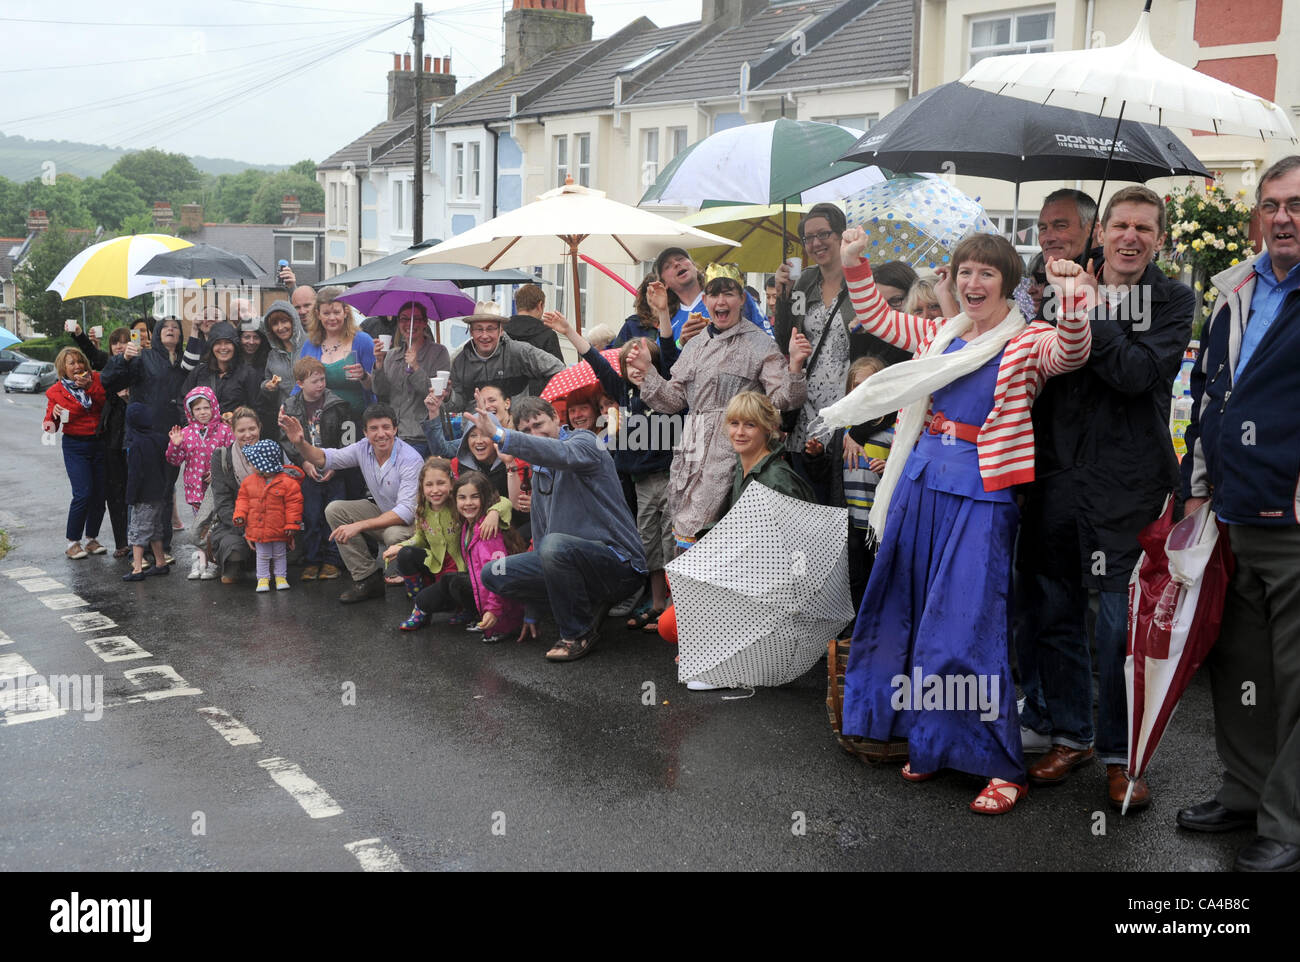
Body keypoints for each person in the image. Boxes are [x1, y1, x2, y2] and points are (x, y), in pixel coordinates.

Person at [826, 227, 1092, 815]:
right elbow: (877, 315)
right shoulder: (940, 333)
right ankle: (931, 740)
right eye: (965, 272)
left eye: (987, 274)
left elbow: (1070, 352)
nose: (973, 283)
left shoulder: (1027, 342)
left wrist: (1072, 299)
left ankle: (1001, 767)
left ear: (1008, 284)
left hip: (982, 493)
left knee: (968, 626)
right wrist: (855, 262)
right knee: (913, 614)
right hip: (920, 482)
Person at [1016, 185, 1194, 814]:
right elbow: (1035, 368)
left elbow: (1136, 374)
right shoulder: (1059, 290)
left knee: (1119, 629)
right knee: (1058, 612)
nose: (1130, 237)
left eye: (1144, 229)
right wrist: (1066, 305)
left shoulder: (1173, 299)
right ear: (1101, 233)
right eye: (1120, 225)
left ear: (1160, 240)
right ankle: (1073, 735)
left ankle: (1124, 758)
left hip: (1130, 487)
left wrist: (1094, 309)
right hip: (1059, 480)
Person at [1178, 156, 1300, 872]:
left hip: (1292, 521)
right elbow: (1210, 396)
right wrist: (1197, 486)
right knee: (1240, 666)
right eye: (1273, 205)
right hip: (1232, 510)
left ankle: (1288, 818)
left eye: (1296, 204)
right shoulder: (1237, 291)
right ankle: (1246, 790)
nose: (1283, 217)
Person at [628, 264, 811, 549]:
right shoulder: (695, 345)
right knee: (683, 541)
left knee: (718, 542)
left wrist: (796, 366)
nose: (721, 301)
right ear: (705, 301)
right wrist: (648, 372)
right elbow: (674, 401)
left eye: (728, 293)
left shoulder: (760, 344)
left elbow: (783, 400)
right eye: (713, 294)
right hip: (692, 448)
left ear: (741, 299)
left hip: (735, 450)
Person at [474, 396, 647, 661]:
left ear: (556, 417)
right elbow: (541, 542)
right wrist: (532, 609)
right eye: (527, 431)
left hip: (619, 564)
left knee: (555, 546)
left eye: (539, 424)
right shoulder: (538, 471)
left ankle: (578, 633)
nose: (535, 434)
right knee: (494, 572)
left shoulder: (585, 442)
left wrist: (500, 434)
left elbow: (560, 454)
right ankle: (580, 605)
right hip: (568, 562)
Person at [542, 298, 679, 631]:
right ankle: (657, 602)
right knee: (648, 542)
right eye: (628, 361)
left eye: (641, 360)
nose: (635, 366)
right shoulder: (623, 392)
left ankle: (677, 607)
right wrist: (569, 332)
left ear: (653, 363)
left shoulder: (669, 392)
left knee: (673, 542)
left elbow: (670, 352)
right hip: (643, 482)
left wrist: (662, 313)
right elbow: (594, 359)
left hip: (672, 478)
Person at [773, 203, 911, 499]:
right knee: (805, 498)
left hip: (850, 402)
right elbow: (785, 337)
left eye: (823, 233)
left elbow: (882, 342)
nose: (816, 243)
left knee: (839, 498)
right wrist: (784, 297)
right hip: (808, 406)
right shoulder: (805, 281)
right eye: (808, 238)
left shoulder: (865, 279)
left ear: (840, 235)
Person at [278, 402, 423, 603]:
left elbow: (406, 512)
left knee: (393, 534)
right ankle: (368, 579)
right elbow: (324, 459)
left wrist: (359, 526)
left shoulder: (410, 459)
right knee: (335, 510)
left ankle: (419, 579)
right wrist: (300, 443)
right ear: (364, 432)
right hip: (384, 513)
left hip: (414, 525)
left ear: (395, 429)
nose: (381, 434)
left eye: (386, 427)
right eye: (374, 428)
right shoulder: (363, 448)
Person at [804, 356, 894, 622]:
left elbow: (905, 472)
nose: (863, 391)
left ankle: (877, 629)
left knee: (881, 578)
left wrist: (888, 467)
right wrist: (816, 455)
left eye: (872, 383)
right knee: (854, 579)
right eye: (856, 385)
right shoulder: (843, 427)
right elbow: (824, 476)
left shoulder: (895, 429)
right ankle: (856, 630)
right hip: (850, 520)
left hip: (880, 522)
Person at [385, 457, 512, 628]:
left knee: (452, 583)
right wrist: (402, 545)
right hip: (437, 565)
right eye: (429, 485)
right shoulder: (422, 510)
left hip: (463, 569)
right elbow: (421, 539)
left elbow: (503, 501)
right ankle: (419, 602)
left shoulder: (460, 504)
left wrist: (494, 512)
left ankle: (465, 609)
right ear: (422, 487)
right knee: (406, 554)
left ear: (452, 484)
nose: (435, 490)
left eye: (441, 483)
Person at [101, 316, 188, 562]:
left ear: (180, 336)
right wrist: (124, 358)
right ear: (158, 333)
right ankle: (139, 548)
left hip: (172, 435)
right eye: (166, 327)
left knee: (164, 491)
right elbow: (108, 381)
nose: (171, 330)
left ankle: (163, 547)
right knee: (142, 493)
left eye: (176, 328)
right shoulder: (143, 357)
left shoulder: (183, 362)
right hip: (143, 437)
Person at [399, 471, 525, 641]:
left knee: (454, 581)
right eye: (462, 498)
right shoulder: (467, 525)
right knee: (441, 587)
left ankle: (491, 622)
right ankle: (470, 614)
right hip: (481, 592)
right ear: (455, 500)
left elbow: (499, 574)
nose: (468, 503)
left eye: (474, 497)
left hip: (500, 609)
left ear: (485, 498)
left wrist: (494, 610)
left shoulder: (489, 533)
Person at [279, 358, 348, 581]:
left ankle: (332, 560)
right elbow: (285, 439)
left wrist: (335, 465)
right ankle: (311, 560)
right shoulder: (289, 407)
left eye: (322, 379)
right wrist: (303, 462)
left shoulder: (338, 404)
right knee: (310, 516)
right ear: (300, 383)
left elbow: (347, 440)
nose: (320, 384)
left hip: (334, 470)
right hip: (308, 472)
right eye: (315, 381)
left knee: (334, 516)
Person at [207, 407, 285, 584]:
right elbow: (222, 502)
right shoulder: (221, 456)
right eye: (241, 430)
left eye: (252, 429)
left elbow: (283, 492)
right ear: (233, 431)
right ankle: (234, 565)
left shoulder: (271, 450)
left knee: (282, 552)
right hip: (236, 521)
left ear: (260, 427)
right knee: (234, 550)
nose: (248, 435)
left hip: (270, 519)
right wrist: (247, 530)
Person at [44, 346, 108, 560]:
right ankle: (72, 542)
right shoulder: (55, 392)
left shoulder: (96, 379)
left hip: (99, 442)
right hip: (75, 446)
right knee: (83, 493)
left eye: (80, 361)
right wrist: (52, 416)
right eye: (71, 363)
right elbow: (49, 427)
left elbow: (105, 403)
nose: (77, 366)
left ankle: (91, 539)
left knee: (100, 494)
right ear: (63, 368)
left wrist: (89, 387)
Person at [166, 386, 235, 580]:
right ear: (190, 411)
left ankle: (213, 561)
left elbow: (232, 456)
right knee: (200, 526)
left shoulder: (224, 430)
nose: (203, 412)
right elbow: (174, 460)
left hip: (219, 490)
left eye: (206, 407)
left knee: (216, 525)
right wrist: (175, 444)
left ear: (214, 406)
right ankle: (201, 559)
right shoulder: (187, 433)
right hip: (196, 489)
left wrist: (218, 472)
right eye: (197, 409)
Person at [372, 302, 450, 458]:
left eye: (416, 319)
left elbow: (437, 395)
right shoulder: (392, 355)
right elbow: (380, 391)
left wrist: (415, 367)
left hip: (421, 437)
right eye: (404, 319)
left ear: (425, 322)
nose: (409, 324)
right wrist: (379, 363)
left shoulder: (439, 352)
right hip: (392, 436)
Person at [445, 312, 566, 413]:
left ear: (501, 330)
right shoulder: (459, 361)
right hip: (477, 433)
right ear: (471, 332)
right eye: (479, 329)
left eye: (490, 329)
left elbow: (558, 369)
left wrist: (539, 404)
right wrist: (449, 396)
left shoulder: (518, 351)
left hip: (514, 431)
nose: (485, 335)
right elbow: (458, 406)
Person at [654, 247, 773, 344]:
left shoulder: (736, 298)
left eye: (680, 258)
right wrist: (680, 343)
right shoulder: (669, 324)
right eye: (668, 266)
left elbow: (769, 339)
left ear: (694, 266)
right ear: (664, 284)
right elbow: (664, 366)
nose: (676, 264)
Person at [232, 439, 304, 593]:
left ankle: (280, 577)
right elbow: (242, 501)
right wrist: (240, 515)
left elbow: (294, 505)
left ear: (263, 466)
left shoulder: (288, 483)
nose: (250, 465)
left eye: (253, 462)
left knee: (279, 554)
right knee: (263, 555)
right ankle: (263, 578)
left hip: (279, 528)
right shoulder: (249, 482)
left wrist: (292, 524)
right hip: (258, 528)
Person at [298, 285, 377, 423]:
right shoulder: (310, 345)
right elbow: (300, 383)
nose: (332, 318)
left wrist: (364, 376)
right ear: (318, 315)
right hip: (322, 421)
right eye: (326, 313)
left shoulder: (362, 341)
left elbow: (377, 387)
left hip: (356, 421)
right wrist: (288, 407)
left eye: (336, 312)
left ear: (345, 312)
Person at [121, 402, 171, 582]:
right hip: (160, 492)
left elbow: (135, 474)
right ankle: (160, 563)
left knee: (138, 531)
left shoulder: (136, 444)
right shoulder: (160, 439)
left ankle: (137, 569)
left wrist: (130, 496)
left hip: (143, 495)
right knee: (156, 529)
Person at [98, 328, 133, 558]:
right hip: (112, 434)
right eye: (115, 343)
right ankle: (122, 541)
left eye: (124, 342)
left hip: (134, 435)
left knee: (135, 489)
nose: (119, 346)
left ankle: (140, 540)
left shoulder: (138, 364)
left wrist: (131, 399)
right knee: (116, 490)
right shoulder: (111, 365)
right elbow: (105, 380)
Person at [182, 321, 263, 418]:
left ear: (235, 346)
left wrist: (238, 420)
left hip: (234, 431)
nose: (223, 347)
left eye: (228, 343)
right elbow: (184, 401)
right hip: (201, 432)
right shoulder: (199, 372)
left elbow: (256, 408)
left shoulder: (248, 374)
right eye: (218, 343)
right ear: (212, 347)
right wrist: (192, 425)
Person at [259, 299, 306, 416]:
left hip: (313, 414)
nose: (280, 327)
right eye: (275, 324)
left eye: (284, 321)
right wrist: (266, 387)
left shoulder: (311, 344)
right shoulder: (272, 355)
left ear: (294, 321)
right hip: (288, 415)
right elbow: (269, 381)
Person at [613, 272, 680, 348]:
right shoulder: (632, 325)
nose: (658, 297)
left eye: (663, 292)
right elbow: (618, 354)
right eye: (653, 292)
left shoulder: (681, 319)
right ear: (645, 295)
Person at [1036, 188, 1098, 270]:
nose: (1049, 238)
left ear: (1093, 228)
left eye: (1061, 226)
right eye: (1043, 228)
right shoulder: (1034, 273)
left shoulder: (1109, 275)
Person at [505, 283, 563, 366]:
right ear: (540, 305)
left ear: (517, 304)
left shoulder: (502, 331)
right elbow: (558, 369)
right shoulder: (548, 335)